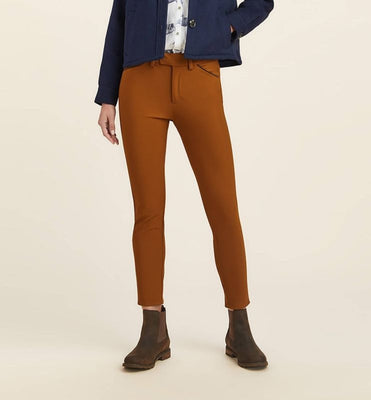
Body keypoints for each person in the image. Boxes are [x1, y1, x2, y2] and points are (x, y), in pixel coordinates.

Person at [94, 0, 274, 370]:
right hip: (140, 82)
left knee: (223, 207)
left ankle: (239, 325)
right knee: (148, 210)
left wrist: (230, 26)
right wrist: (107, 96)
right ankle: (152, 328)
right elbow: (119, 22)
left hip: (200, 76)